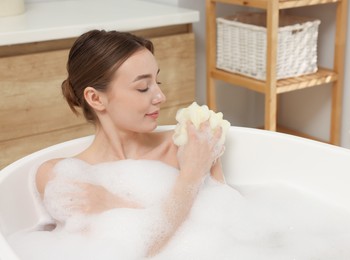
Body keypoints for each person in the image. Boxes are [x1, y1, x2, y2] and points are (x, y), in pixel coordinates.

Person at [34, 29, 225, 257]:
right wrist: (190, 177)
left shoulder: (190, 146)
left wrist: (112, 202)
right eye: (143, 87)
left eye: (157, 80)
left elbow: (226, 231)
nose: (160, 96)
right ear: (95, 98)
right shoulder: (62, 177)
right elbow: (123, 251)